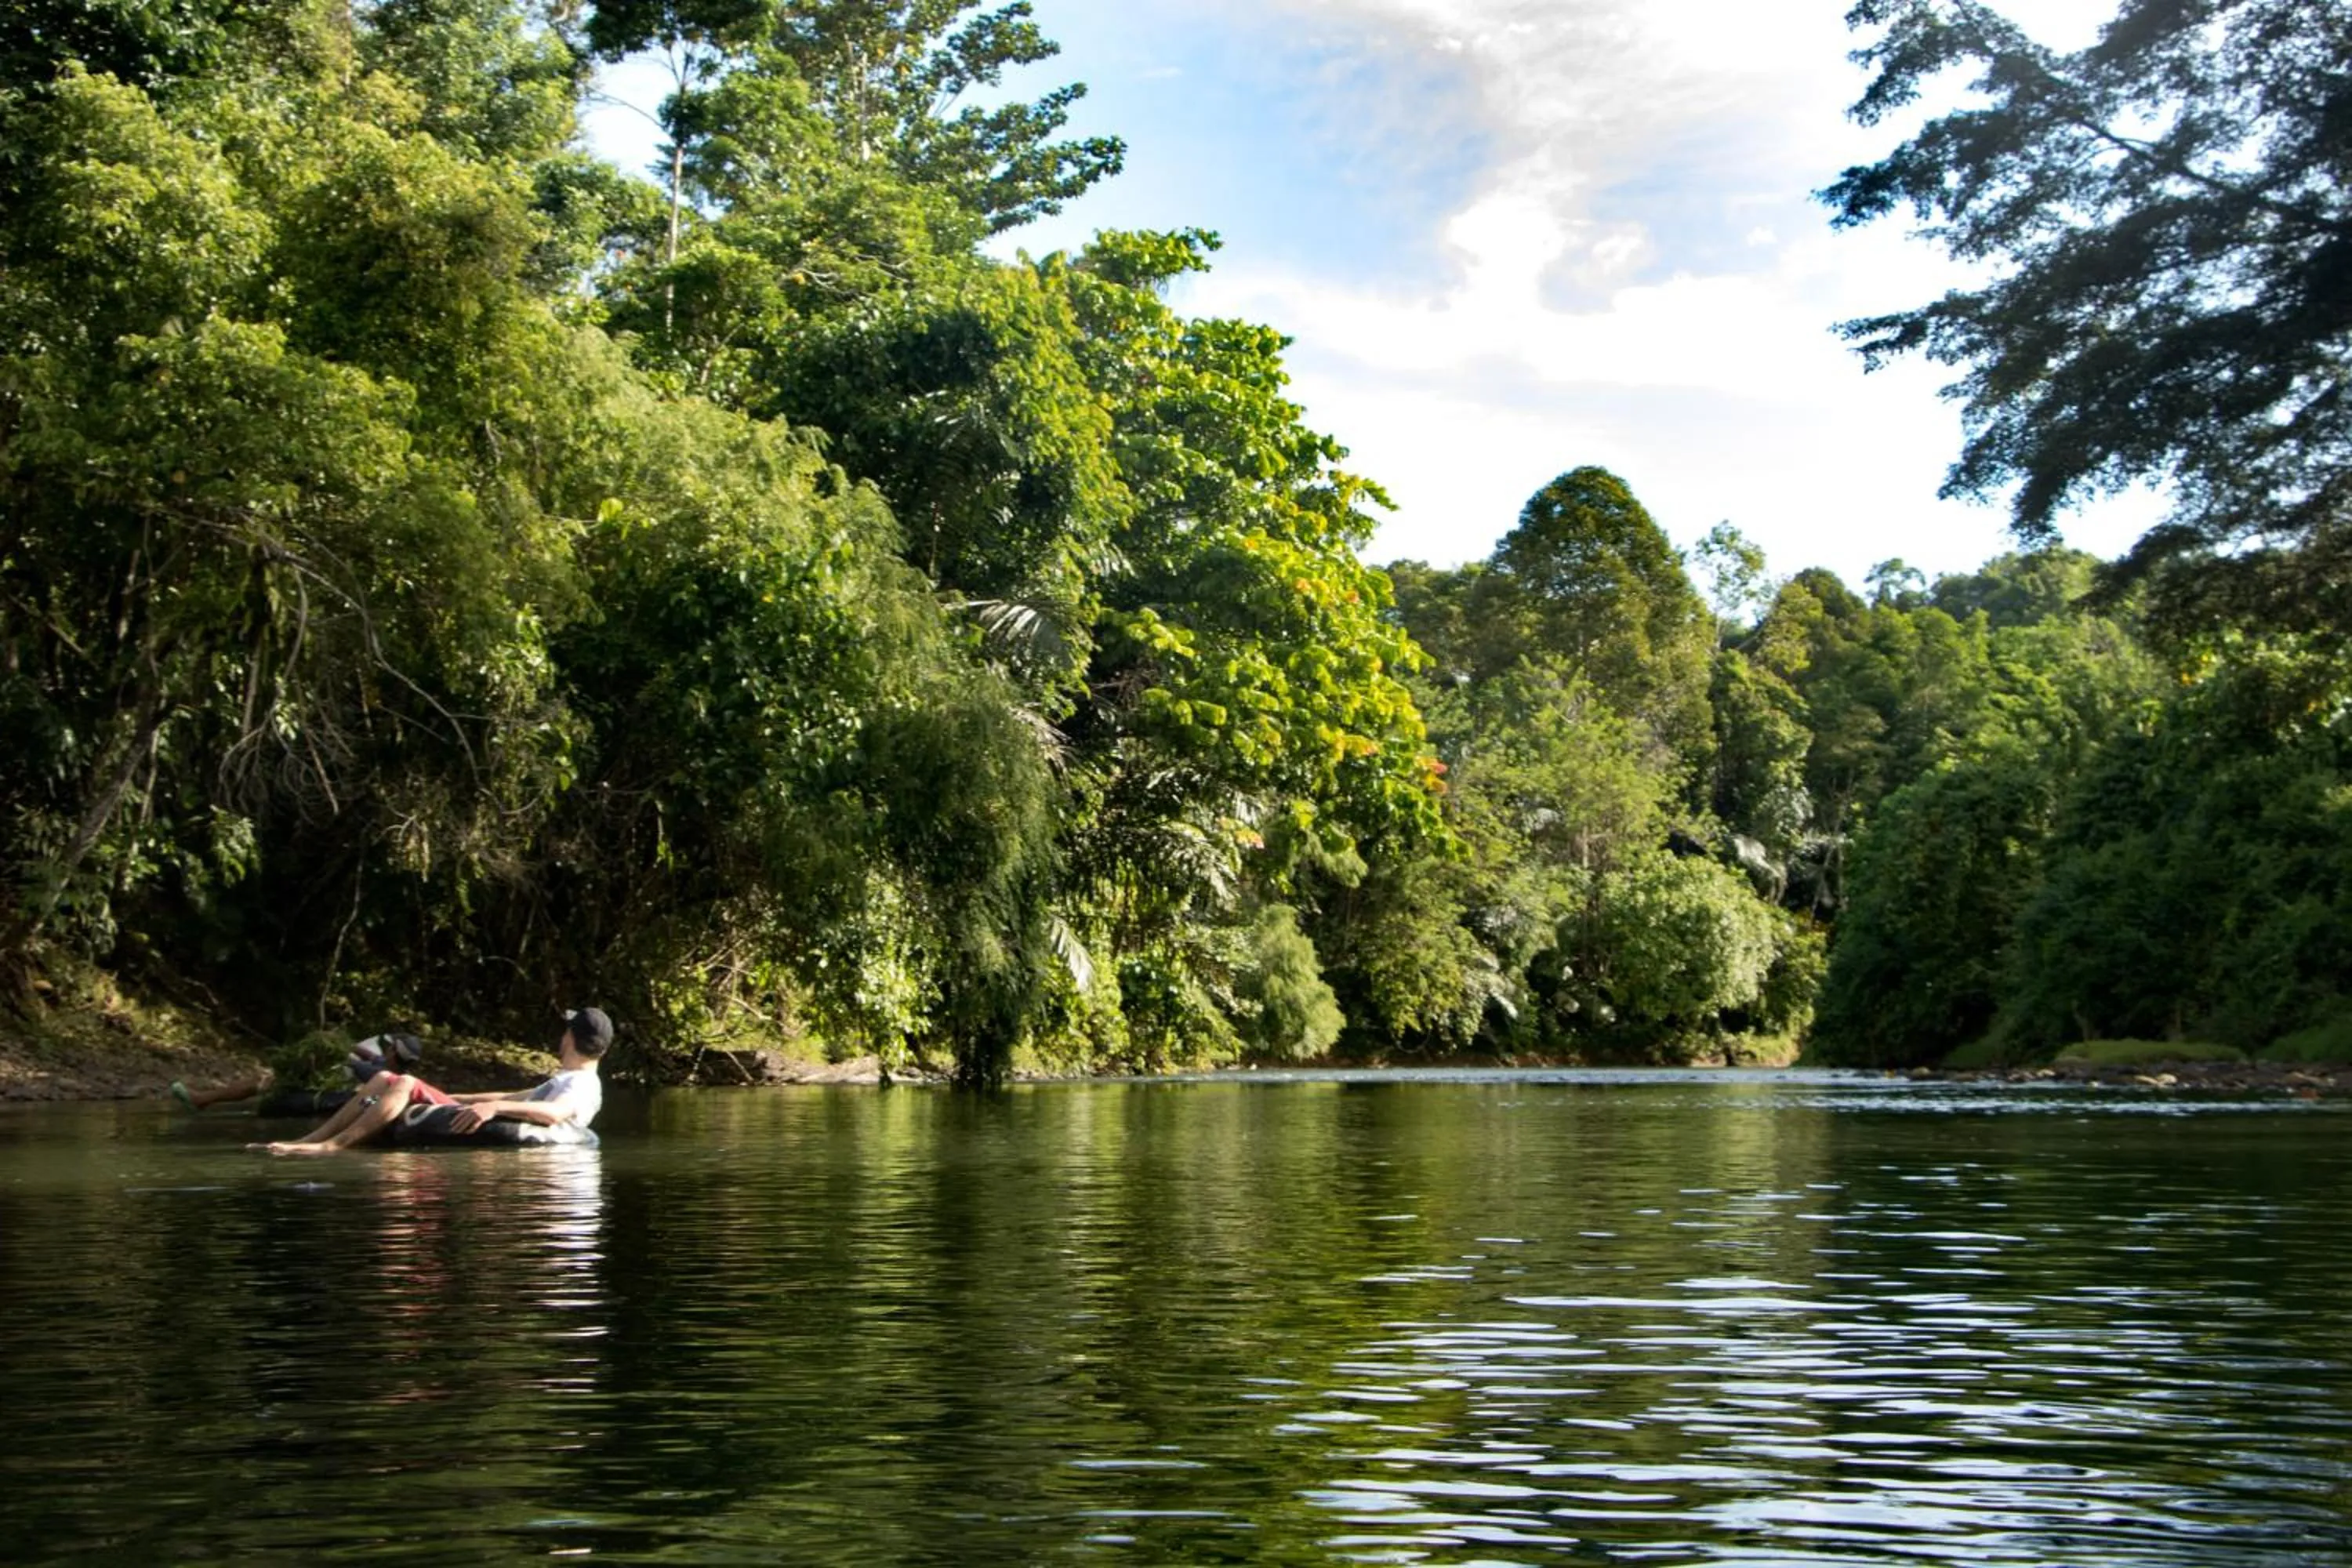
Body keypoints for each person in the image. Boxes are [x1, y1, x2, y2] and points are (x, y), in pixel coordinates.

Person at [252, 1008, 611, 1156]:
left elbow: (553, 1113)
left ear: (570, 1037)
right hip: (495, 1113)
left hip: (521, 1131)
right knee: (384, 1078)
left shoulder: (581, 1084)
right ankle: (310, 1141)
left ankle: (330, 1147)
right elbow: (511, 1094)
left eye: (565, 1029)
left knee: (403, 1082)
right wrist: (457, 1097)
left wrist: (495, 1108)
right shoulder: (567, 1077)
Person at [171, 1033, 423, 1112]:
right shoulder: (387, 1065)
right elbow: (363, 1054)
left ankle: (202, 1100)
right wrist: (335, 1040)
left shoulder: (381, 1075)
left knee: (264, 1082)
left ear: (393, 1053)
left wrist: (328, 1056)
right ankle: (204, 1099)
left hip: (337, 1102)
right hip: (340, 1096)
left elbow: (354, 1064)